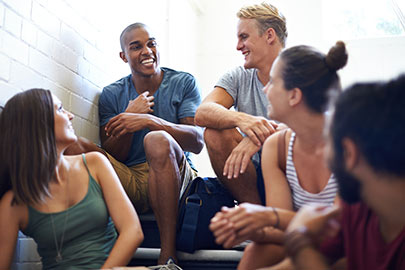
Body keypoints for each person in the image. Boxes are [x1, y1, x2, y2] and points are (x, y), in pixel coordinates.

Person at [210, 41, 348, 270]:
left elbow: (338, 231)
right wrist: (246, 226)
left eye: (273, 82)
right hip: (306, 240)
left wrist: (267, 217)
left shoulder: (347, 143)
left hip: (349, 246)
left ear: (294, 96)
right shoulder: (277, 146)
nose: (265, 89)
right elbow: (282, 230)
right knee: (258, 249)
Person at [97, 22, 204, 266]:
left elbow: (197, 142)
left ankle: (168, 254)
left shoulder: (183, 82)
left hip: (177, 176)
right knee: (83, 151)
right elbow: (112, 154)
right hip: (131, 178)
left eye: (151, 43)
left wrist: (148, 120)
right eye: (137, 47)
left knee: (156, 139)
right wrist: (128, 116)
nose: (147, 51)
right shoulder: (112, 94)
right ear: (124, 56)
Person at [0, 89, 143, 270]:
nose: (71, 115)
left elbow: (133, 231)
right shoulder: (14, 202)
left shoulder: (95, 163)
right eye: (60, 109)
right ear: (38, 125)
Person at [283, 74, 405, 270]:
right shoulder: (356, 211)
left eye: (327, 142)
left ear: (349, 152)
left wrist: (299, 240)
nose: (322, 153)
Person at [195, 2, 287, 205]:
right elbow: (202, 113)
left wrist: (259, 137)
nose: (238, 46)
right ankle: (255, 215)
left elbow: (319, 127)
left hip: (293, 171)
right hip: (253, 175)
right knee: (214, 132)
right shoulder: (238, 76)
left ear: (269, 35)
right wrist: (244, 120)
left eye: (244, 37)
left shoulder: (303, 69)